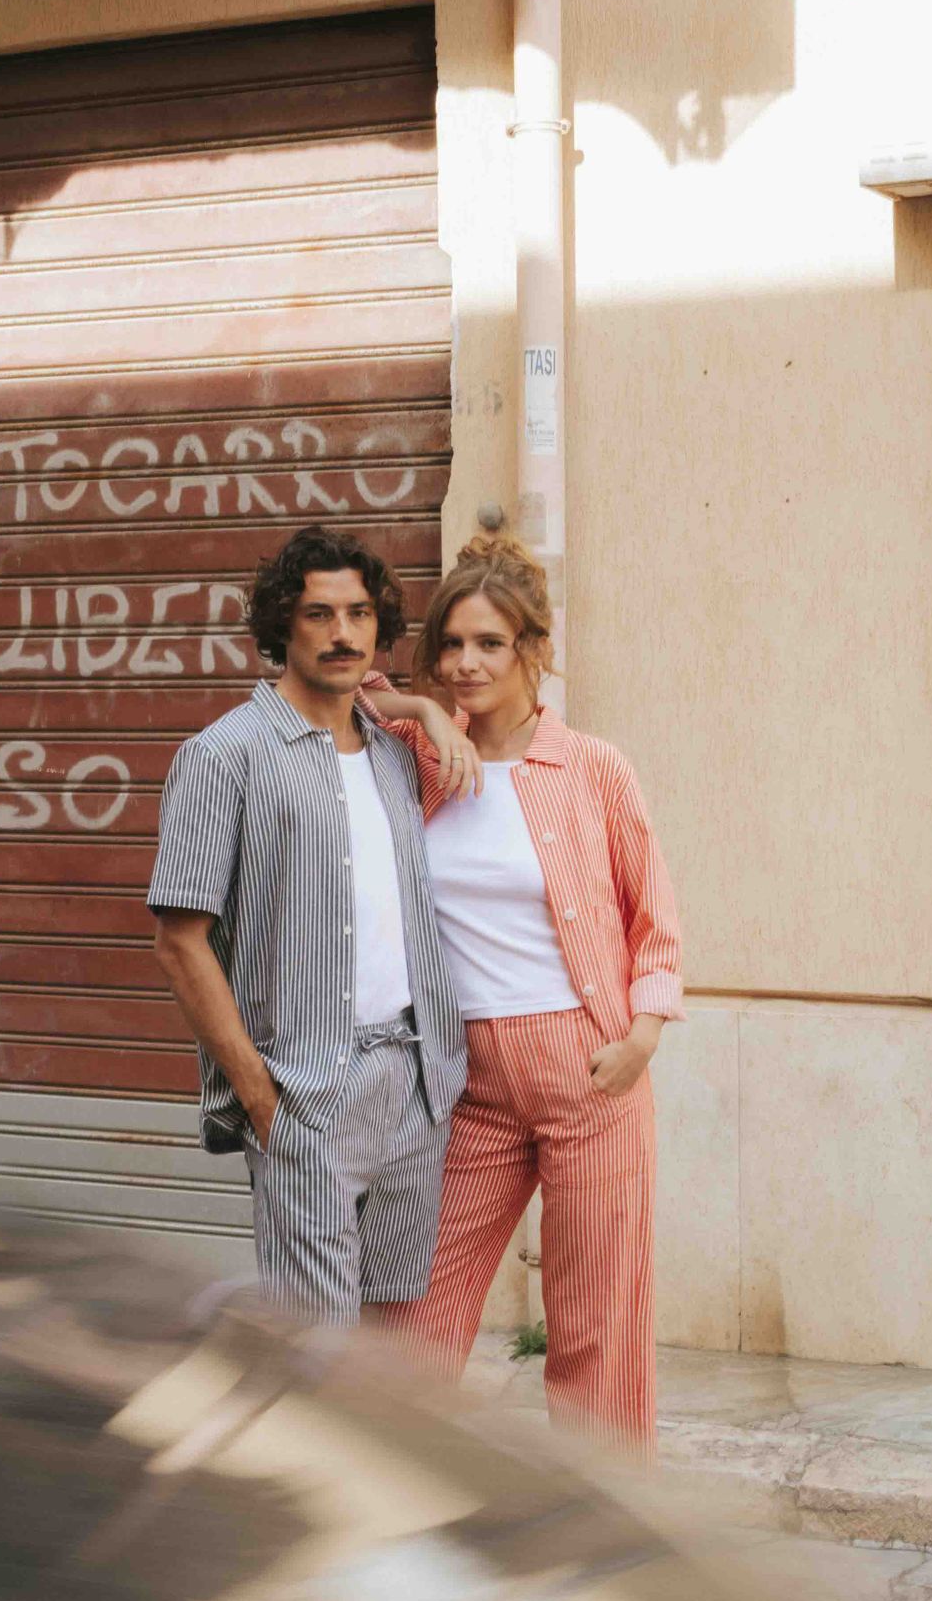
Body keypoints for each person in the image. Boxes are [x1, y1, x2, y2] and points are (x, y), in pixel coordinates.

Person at [362, 535, 683, 1448]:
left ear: (530, 651)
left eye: (490, 644)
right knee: (414, 1313)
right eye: (452, 644)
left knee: (595, 1333)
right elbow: (331, 691)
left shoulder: (591, 768)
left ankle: (608, 1533)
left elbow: (653, 915)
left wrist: (642, 1038)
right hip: (470, 1083)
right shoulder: (417, 757)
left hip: (592, 1072)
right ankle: (390, 1501)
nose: (467, 663)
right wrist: (424, 708)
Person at [147, 526, 469, 1325]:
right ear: (281, 628)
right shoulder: (223, 756)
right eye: (320, 614)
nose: (343, 633)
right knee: (318, 1354)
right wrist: (260, 1096)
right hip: (306, 1093)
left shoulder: (396, 757)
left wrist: (424, 703)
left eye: (359, 614)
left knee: (394, 1347)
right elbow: (179, 940)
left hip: (415, 1082)